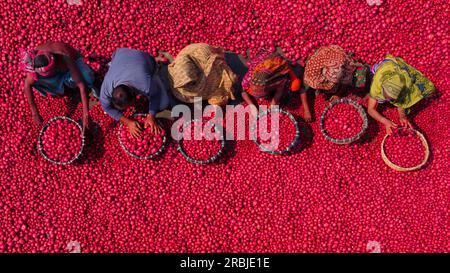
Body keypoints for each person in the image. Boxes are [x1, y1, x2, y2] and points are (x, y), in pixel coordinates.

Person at [20, 42, 96, 130]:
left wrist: (86, 114)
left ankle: (65, 84)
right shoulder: (34, 60)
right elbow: (27, 85)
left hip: (72, 64)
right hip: (57, 72)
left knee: (88, 78)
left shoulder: (64, 56)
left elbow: (81, 84)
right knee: (37, 81)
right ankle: (59, 89)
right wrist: (34, 112)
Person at [100, 48, 171, 138]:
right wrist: (127, 122)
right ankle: (115, 66)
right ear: (112, 92)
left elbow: (155, 95)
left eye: (130, 104)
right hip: (120, 54)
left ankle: (155, 72)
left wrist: (151, 115)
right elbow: (106, 107)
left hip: (145, 59)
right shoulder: (106, 88)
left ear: (135, 94)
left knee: (163, 104)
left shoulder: (145, 84)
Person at [367, 54, 435, 134]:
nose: (388, 100)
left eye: (391, 99)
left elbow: (401, 102)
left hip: (398, 68)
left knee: (423, 89)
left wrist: (402, 116)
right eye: (386, 97)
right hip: (384, 67)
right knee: (379, 99)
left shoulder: (405, 84)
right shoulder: (377, 84)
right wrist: (385, 121)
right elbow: (370, 109)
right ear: (382, 87)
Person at [240, 49, 306, 119]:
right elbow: (243, 92)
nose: (262, 99)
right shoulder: (248, 80)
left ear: (269, 86)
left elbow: (280, 90)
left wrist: (272, 104)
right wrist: (252, 106)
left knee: (294, 86)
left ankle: (288, 65)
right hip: (261, 64)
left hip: (275, 63)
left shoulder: (277, 80)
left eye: (263, 96)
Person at [167, 43, 237, 106]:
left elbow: (218, 81)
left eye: (191, 82)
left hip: (204, 54)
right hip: (193, 58)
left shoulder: (211, 67)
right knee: (190, 90)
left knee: (223, 83)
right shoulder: (179, 64)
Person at [303, 45, 370, 101]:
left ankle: (362, 81)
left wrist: (338, 94)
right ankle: (327, 89)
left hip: (340, 67)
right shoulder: (317, 70)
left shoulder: (341, 65)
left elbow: (344, 78)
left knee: (358, 76)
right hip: (326, 69)